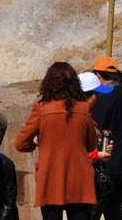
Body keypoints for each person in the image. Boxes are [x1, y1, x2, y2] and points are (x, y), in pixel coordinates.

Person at [14, 62, 97, 220]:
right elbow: (91, 145)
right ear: (74, 83)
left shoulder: (41, 108)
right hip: (79, 179)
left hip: (50, 177)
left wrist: (38, 142)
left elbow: (20, 143)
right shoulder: (84, 108)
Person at [90, 56, 122, 220]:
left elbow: (97, 129)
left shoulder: (101, 97)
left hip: (107, 164)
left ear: (98, 76)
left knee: (94, 212)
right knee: (114, 210)